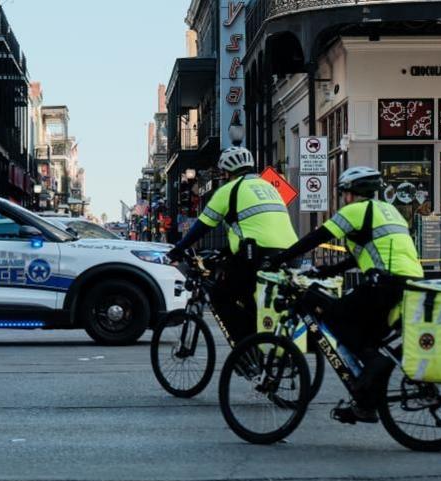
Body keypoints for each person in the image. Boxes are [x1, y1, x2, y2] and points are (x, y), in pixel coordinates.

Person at [262, 166, 424, 424]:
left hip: (382, 284)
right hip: (410, 284)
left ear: (352, 192)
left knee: (335, 317)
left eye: (344, 193)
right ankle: (366, 401)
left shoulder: (355, 211)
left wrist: (278, 260)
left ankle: (373, 371)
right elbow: (364, 252)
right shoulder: (390, 211)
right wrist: (330, 269)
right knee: (367, 340)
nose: (343, 198)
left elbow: (316, 238)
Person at [167, 146, 298, 342]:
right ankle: (264, 345)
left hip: (259, 253)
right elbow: (254, 225)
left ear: (227, 172)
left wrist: (178, 249)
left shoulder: (228, 190)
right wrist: (225, 252)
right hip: (291, 251)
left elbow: (202, 226)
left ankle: (246, 347)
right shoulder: (269, 186)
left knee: (220, 295)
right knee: (252, 298)